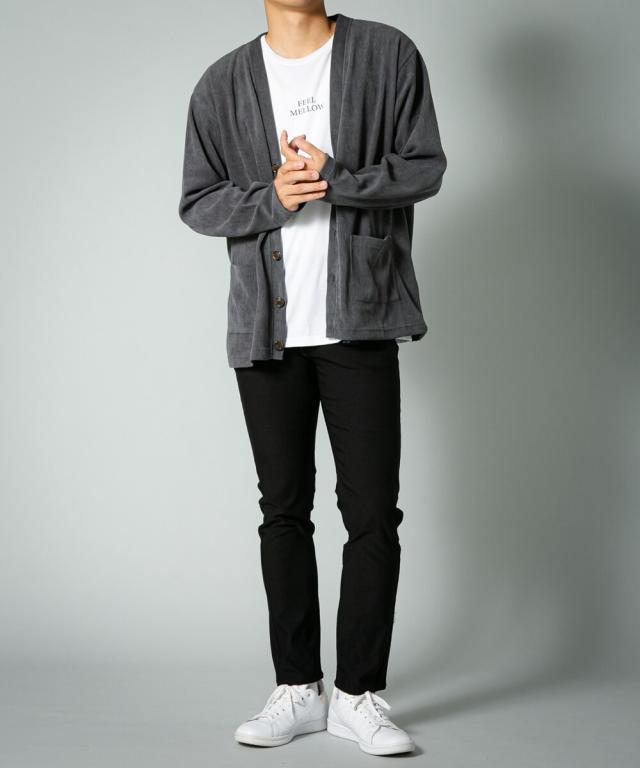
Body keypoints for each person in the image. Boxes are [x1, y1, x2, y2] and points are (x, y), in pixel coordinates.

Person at [178, 0, 446, 756]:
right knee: (283, 511)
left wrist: (337, 179)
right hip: (267, 330)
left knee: (372, 513)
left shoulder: (388, 55)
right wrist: (274, 196)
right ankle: (298, 687)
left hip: (361, 318)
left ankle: (358, 695)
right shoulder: (221, 83)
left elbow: (424, 166)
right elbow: (198, 201)